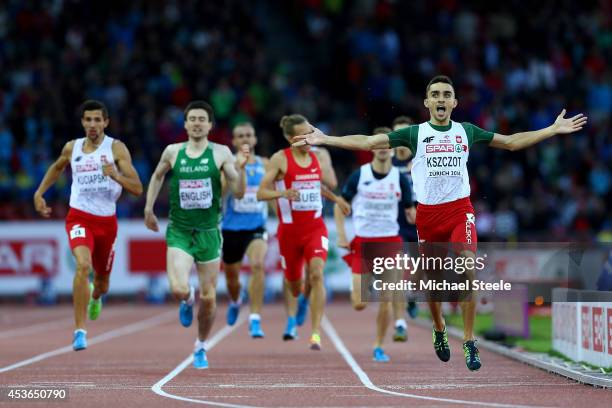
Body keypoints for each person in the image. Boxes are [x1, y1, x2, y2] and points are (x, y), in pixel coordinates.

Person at [293, 75, 587, 371]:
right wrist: (326, 139)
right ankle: (439, 329)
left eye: (447, 94)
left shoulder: (466, 131)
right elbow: (369, 141)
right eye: (436, 94)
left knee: (468, 267)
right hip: (428, 216)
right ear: (427, 103)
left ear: (455, 102)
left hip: (460, 210)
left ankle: (470, 341)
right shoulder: (414, 134)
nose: (442, 99)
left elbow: (510, 142)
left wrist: (552, 129)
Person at [144, 101, 248, 369]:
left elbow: (237, 192)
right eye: (193, 119)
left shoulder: (221, 153)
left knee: (211, 297)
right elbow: (157, 177)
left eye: (202, 119)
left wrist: (242, 168)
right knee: (179, 289)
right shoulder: (173, 151)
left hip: (209, 233)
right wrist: (148, 208)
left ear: (210, 125)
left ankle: (201, 346)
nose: (197, 123)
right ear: (186, 124)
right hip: (179, 231)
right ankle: (187, 300)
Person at [33, 100, 143, 351]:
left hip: (107, 223)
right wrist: (40, 193)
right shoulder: (72, 148)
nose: (92, 125)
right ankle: (80, 331)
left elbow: (137, 188)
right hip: (79, 217)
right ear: (82, 122)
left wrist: (115, 175)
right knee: (83, 266)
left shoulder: (116, 148)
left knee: (103, 283)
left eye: (97, 120)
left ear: (106, 122)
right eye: (88, 120)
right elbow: (58, 166)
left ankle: (95, 295)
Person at [256, 114, 348, 350]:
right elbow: (260, 193)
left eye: (311, 132)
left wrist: (337, 199)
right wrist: (281, 194)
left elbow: (322, 183)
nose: (309, 137)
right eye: (304, 134)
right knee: (295, 285)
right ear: (290, 137)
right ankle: (299, 303)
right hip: (289, 232)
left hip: (316, 228)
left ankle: (315, 333)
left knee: (317, 274)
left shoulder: (319, 156)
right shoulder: (280, 159)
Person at [334, 126, 416, 362]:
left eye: (386, 145)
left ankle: (379, 346)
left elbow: (412, 212)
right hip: (363, 243)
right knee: (359, 303)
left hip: (390, 242)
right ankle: (363, 286)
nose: (382, 149)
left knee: (386, 298)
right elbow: (341, 206)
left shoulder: (400, 179)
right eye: (378, 145)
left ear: (391, 149)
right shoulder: (360, 175)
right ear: (372, 148)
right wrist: (341, 234)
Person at [221, 122, 268, 338]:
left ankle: (255, 319)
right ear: (233, 141)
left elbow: (273, 194)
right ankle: (235, 300)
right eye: (240, 136)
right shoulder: (226, 164)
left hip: (256, 227)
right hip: (231, 229)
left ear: (256, 139)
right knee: (232, 279)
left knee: (258, 265)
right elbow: (221, 193)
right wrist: (236, 168)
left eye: (249, 135)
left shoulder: (265, 164)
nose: (245, 139)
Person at [391, 116, 420, 330]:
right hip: (396, 224)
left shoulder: (421, 157)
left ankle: (412, 296)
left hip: (420, 222)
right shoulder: (388, 161)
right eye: (397, 132)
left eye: (404, 132)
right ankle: (400, 320)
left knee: (422, 269)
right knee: (400, 268)